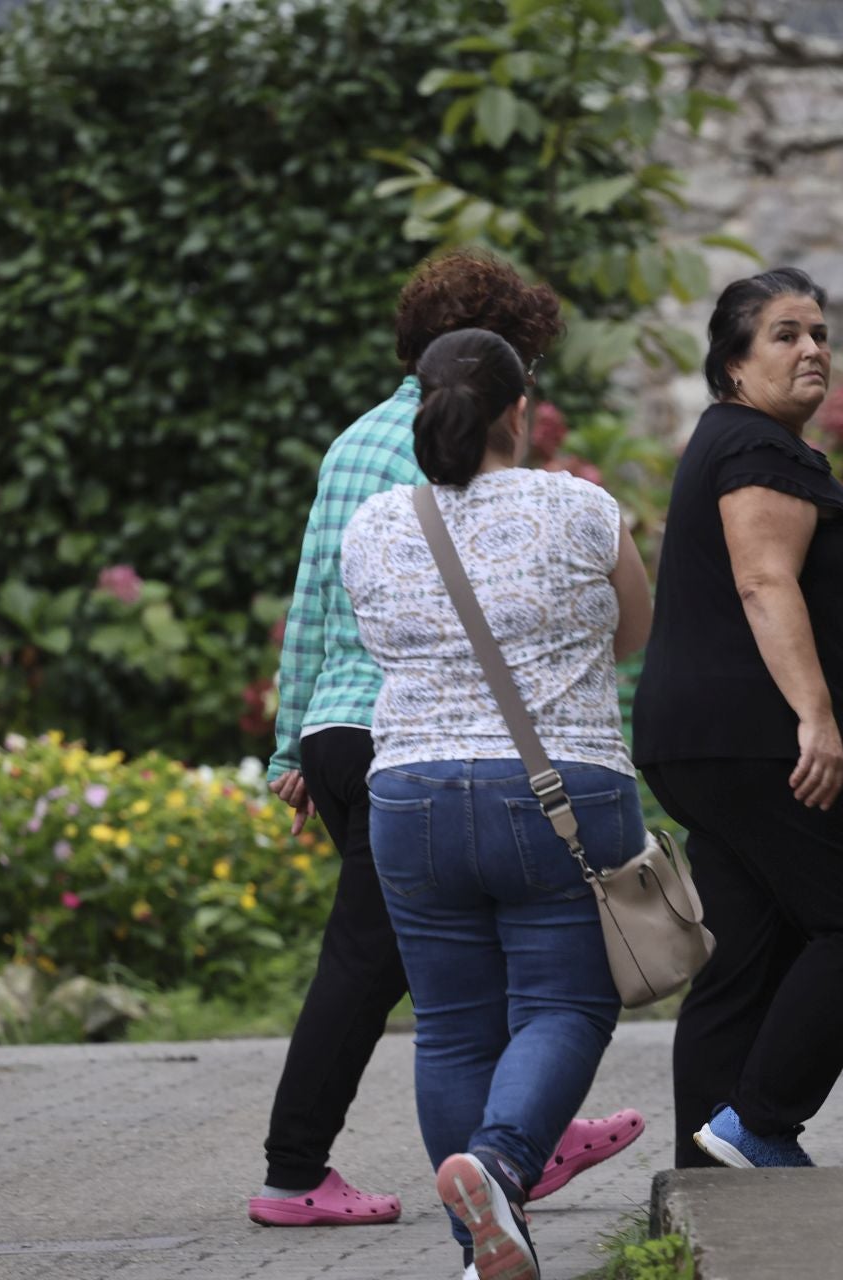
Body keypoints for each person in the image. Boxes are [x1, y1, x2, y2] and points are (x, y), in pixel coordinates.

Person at [253, 254, 644, 1229]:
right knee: (511, 983)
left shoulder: (354, 453)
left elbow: (316, 605)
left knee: (447, 1005)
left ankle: (498, 1183)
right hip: (485, 754)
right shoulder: (549, 493)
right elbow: (609, 628)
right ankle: (359, 1163)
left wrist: (289, 746)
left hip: (373, 750)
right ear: (511, 392)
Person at [343, 328, 654, 1280]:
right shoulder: (581, 509)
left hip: (409, 794)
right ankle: (501, 1167)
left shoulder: (374, 525)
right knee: (566, 1002)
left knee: (449, 1025)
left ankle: (482, 1257)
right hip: (560, 789)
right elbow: (636, 635)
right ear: (521, 410)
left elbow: (379, 647)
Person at [632, 267, 843, 1170]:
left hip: (713, 745)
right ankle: (756, 1123)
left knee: (747, 956)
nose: (812, 351)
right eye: (786, 335)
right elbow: (764, 582)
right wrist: (818, 720)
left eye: (820, 335)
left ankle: (704, 1180)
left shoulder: (739, 444)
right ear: (732, 364)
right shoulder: (758, 449)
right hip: (769, 746)